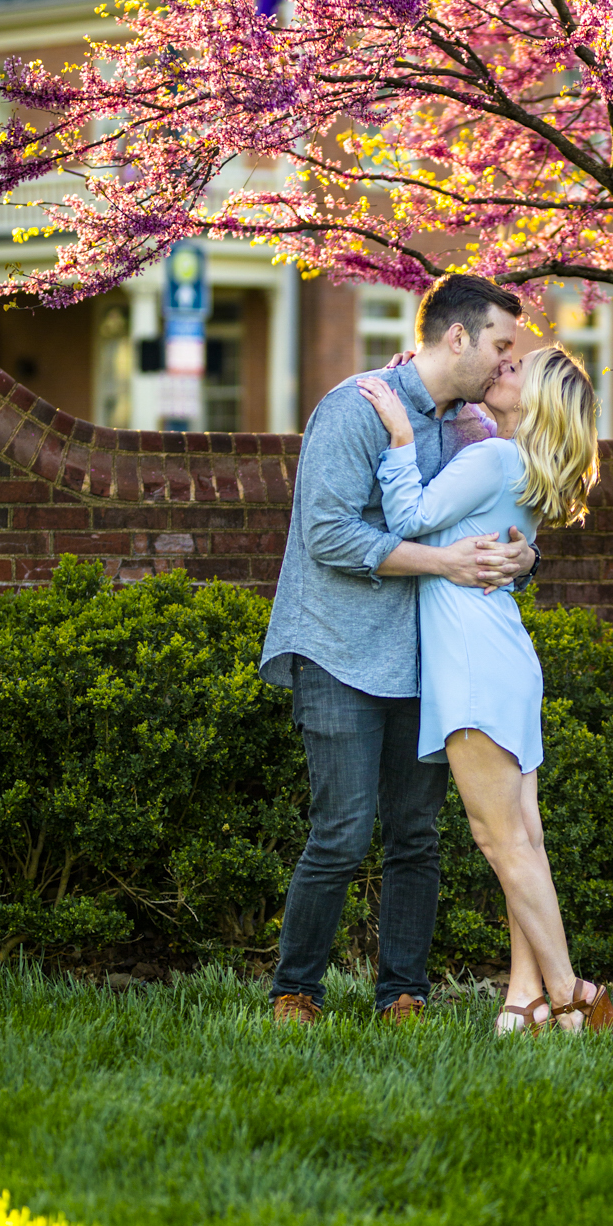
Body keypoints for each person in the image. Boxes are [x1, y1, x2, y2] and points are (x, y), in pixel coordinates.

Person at [260, 274, 538, 1026]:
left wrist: (522, 560)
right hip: (338, 648)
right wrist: (444, 564)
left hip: (427, 660)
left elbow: (498, 518)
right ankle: (296, 991)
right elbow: (328, 534)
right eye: (501, 346)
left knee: (416, 836)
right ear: (457, 337)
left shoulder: (474, 428)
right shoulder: (355, 408)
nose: (507, 363)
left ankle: (402, 995)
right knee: (343, 831)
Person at [356, 344, 613, 1035]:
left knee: (499, 841)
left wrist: (402, 436)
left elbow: (408, 519)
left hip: (472, 661)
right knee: (520, 842)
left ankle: (571, 995)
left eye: (514, 371)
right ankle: (523, 998)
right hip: (501, 656)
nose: (501, 370)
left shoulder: (495, 459)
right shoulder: (525, 468)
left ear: (538, 402)